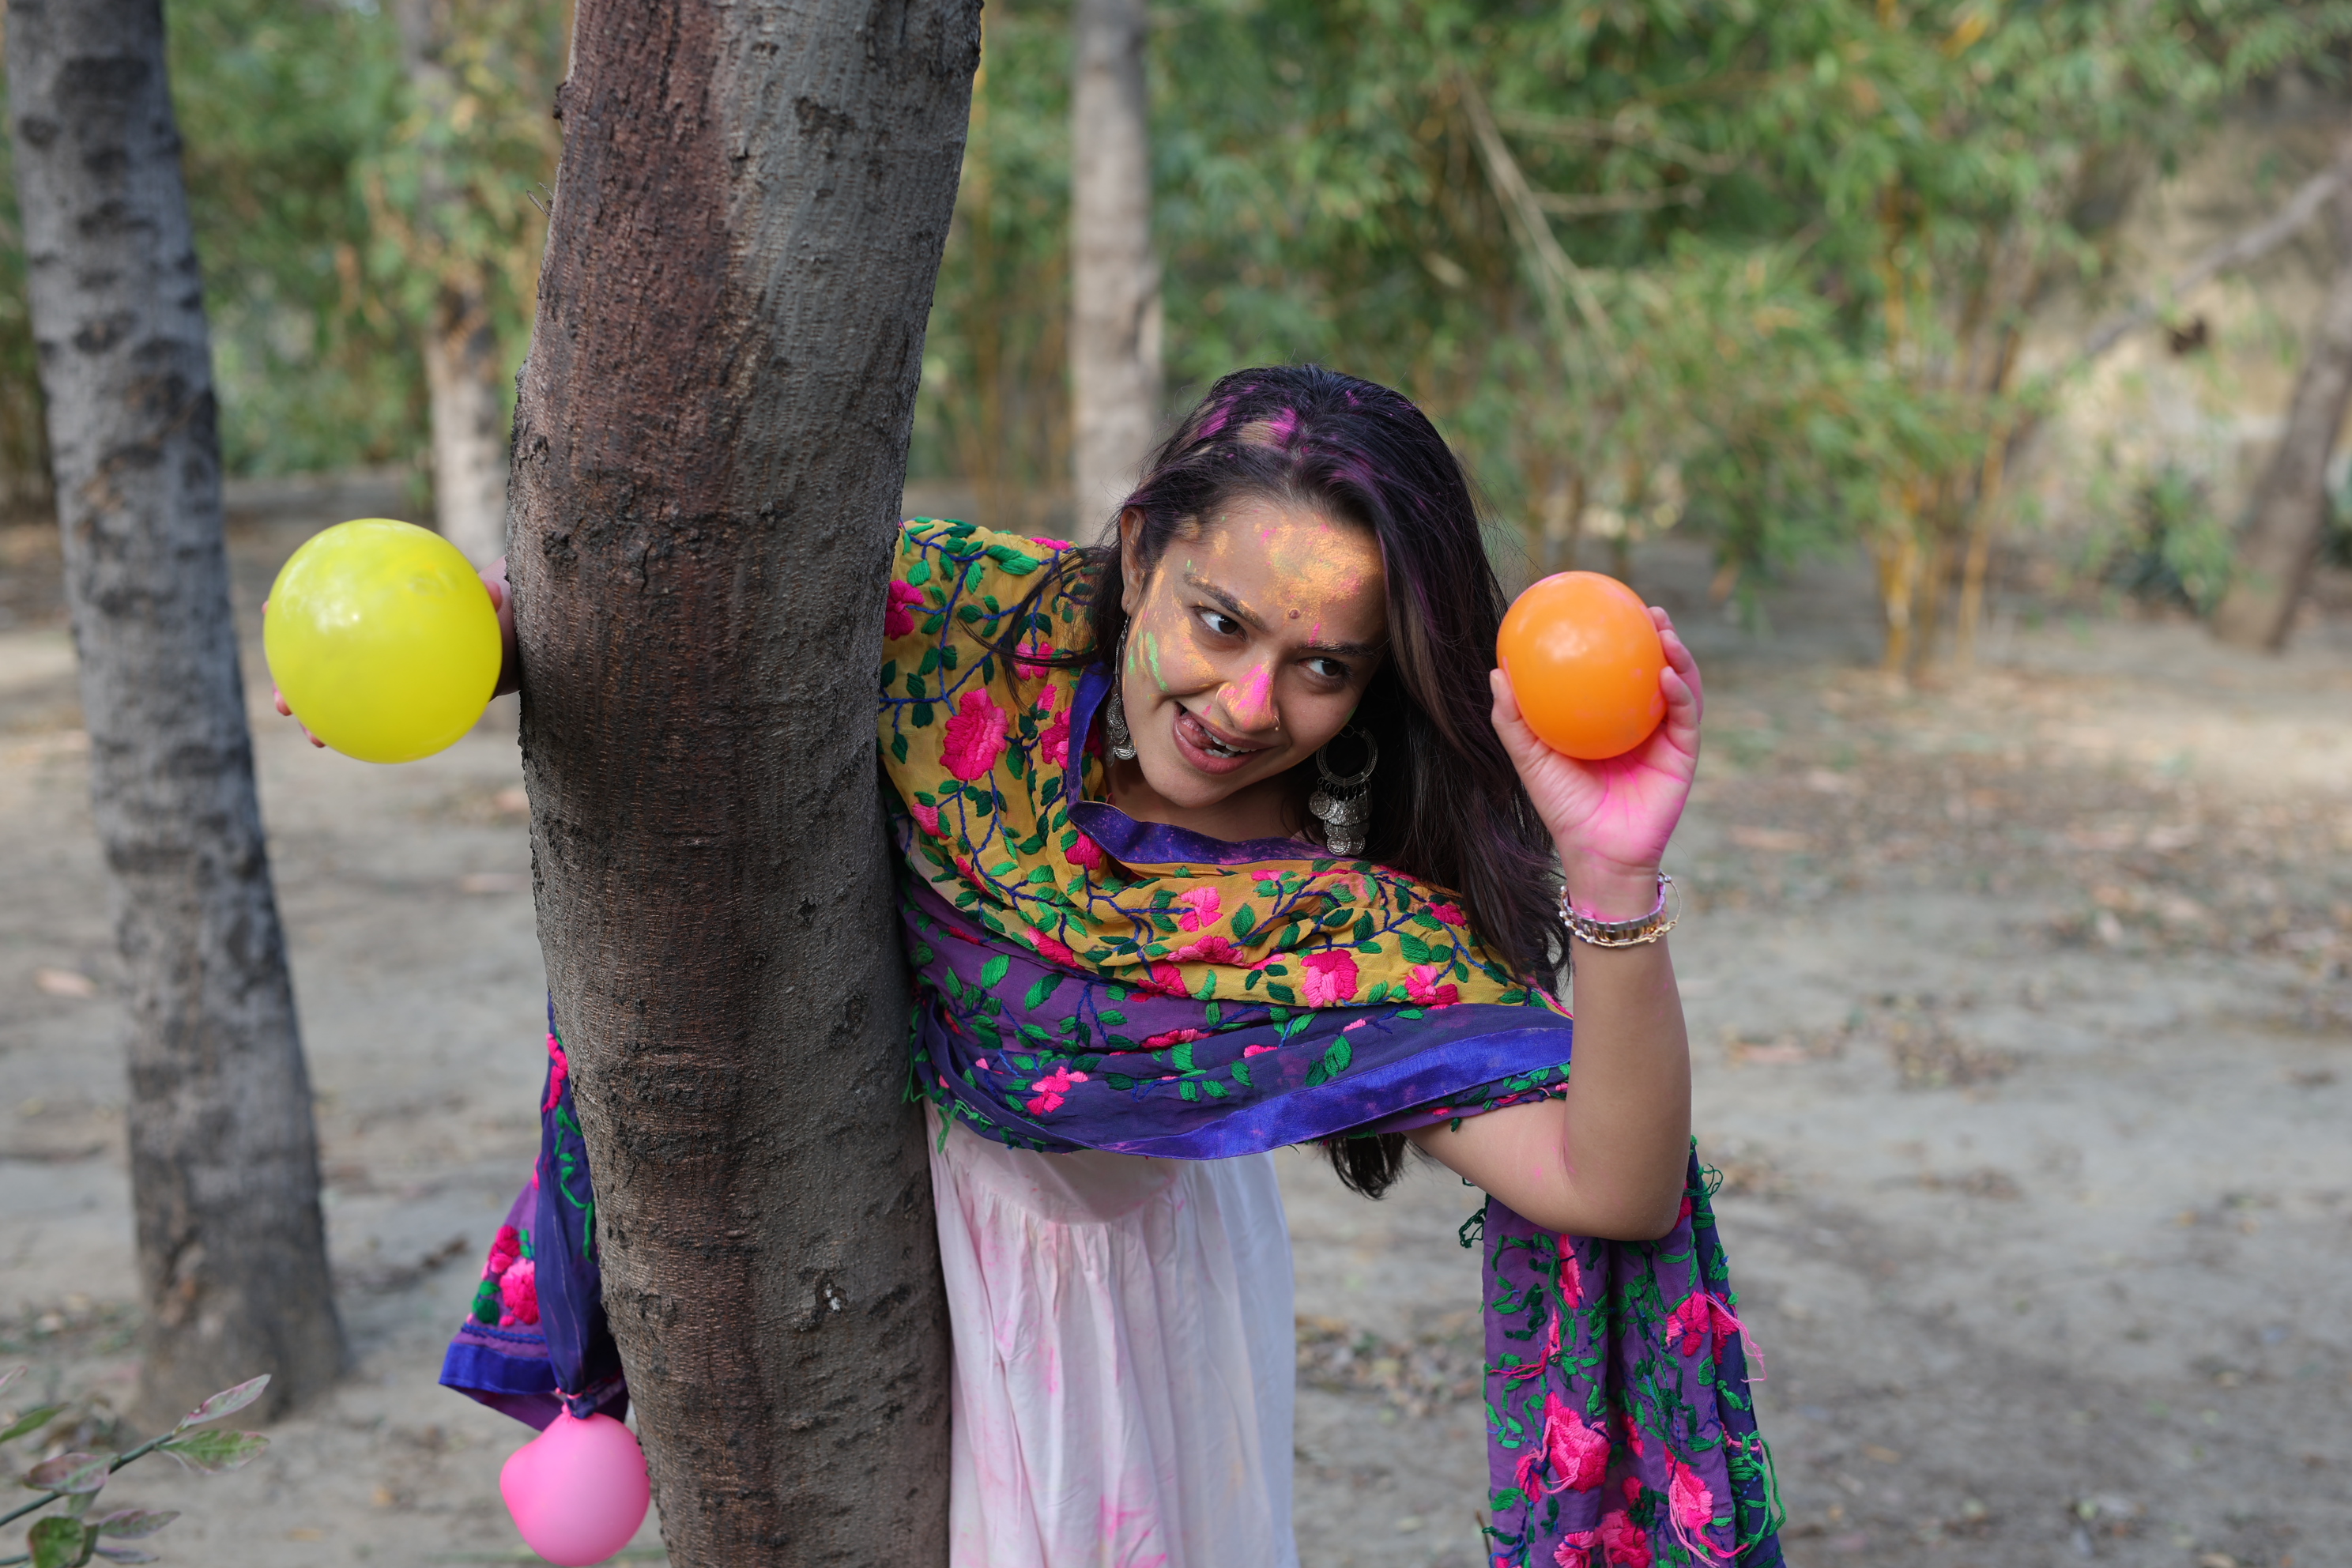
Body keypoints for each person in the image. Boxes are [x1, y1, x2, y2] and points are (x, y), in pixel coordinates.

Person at [285, 364, 1780, 1567]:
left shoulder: (1318, 933)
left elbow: (1612, 1182)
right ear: (1140, 553)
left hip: (1107, 1392)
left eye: (1322, 666)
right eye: (1218, 621)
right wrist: (488, 642)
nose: (1249, 701)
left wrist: (1615, 874)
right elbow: (691, 649)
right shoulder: (943, 634)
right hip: (817, 1317)